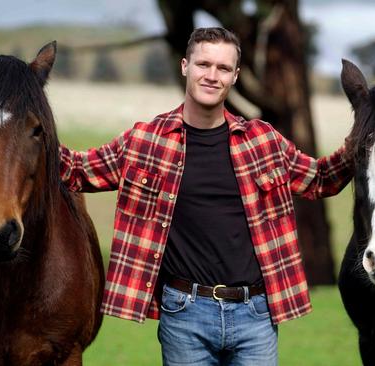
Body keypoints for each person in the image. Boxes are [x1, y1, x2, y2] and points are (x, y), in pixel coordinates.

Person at [60, 27, 353, 366]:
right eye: (204, 64)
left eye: (223, 68)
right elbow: (76, 170)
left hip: (256, 313)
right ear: (186, 66)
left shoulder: (262, 141)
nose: (212, 76)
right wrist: (25, 122)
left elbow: (320, 180)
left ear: (235, 76)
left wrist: (359, 143)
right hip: (185, 313)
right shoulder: (145, 141)